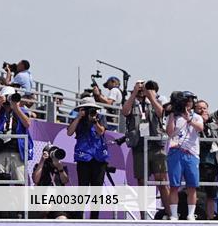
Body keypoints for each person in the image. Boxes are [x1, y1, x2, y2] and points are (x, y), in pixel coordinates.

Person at [122, 80, 171, 217]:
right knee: (142, 183)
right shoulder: (132, 102)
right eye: (140, 87)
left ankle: (170, 214)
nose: (142, 89)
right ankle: (143, 216)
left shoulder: (158, 99)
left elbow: (161, 114)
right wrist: (133, 94)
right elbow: (125, 112)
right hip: (139, 146)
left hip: (156, 145)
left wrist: (150, 96)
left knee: (161, 180)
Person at [67, 96, 110, 219]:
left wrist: (94, 121)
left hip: (99, 157)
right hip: (83, 156)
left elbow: (101, 132)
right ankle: (79, 217)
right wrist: (79, 117)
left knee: (96, 191)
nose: (89, 111)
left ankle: (94, 219)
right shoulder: (78, 119)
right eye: (86, 109)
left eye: (91, 109)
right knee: (83, 188)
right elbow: (69, 132)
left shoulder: (100, 117)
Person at [165, 91, 205, 221]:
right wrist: (171, 114)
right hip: (175, 151)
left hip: (191, 154)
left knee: (192, 186)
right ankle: (174, 214)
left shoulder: (197, 116)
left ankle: (190, 214)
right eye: (186, 100)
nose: (188, 102)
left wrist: (189, 119)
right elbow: (170, 132)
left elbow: (200, 128)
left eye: (190, 100)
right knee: (174, 185)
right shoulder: (174, 116)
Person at [195, 99, 218, 220]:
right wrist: (201, 121)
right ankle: (195, 216)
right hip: (197, 163)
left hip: (213, 163)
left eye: (205, 108)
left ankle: (210, 219)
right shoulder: (193, 122)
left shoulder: (213, 125)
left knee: (211, 194)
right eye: (200, 108)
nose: (203, 110)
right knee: (194, 192)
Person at [32, 144, 70, 219]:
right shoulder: (40, 166)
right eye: (52, 153)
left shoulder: (61, 167)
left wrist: (60, 169)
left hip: (57, 201)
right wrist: (42, 161)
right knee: (44, 207)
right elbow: (35, 180)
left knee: (62, 219)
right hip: (43, 199)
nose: (54, 156)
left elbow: (65, 181)